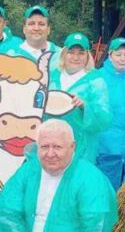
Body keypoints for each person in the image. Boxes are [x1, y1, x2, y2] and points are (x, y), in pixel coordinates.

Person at [47, 32, 111, 163]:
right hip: (51, 143)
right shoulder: (51, 76)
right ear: (64, 53)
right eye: (71, 52)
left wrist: (84, 106)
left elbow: (105, 117)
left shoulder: (96, 80)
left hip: (81, 146)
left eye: (81, 53)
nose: (75, 57)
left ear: (87, 56)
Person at [96, 37, 125, 189]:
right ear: (110, 56)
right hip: (105, 147)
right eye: (118, 54)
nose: (123, 59)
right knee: (104, 189)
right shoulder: (99, 77)